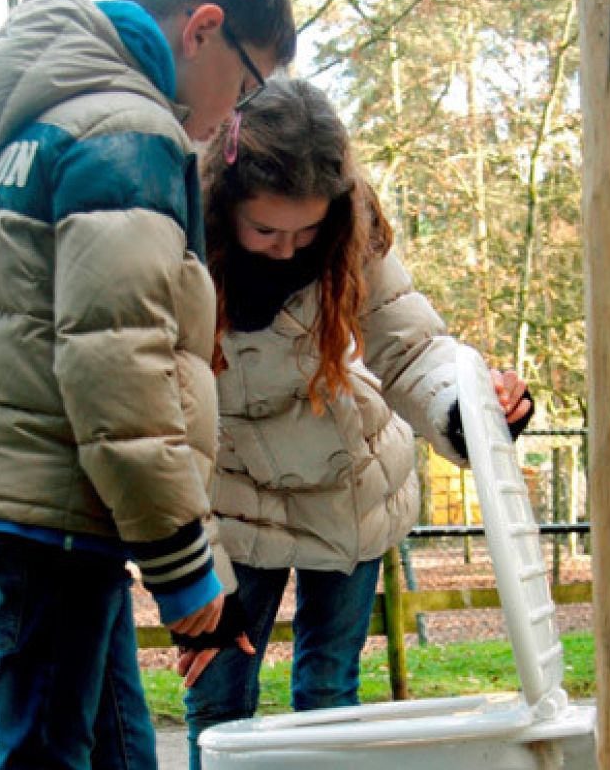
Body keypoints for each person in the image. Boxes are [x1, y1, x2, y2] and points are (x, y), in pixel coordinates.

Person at [0, 0, 294, 767]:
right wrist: (182, 561)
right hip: (54, 498)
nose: (233, 116)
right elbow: (118, 365)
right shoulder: (130, 131)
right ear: (203, 29)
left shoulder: (56, 111)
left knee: (117, 743)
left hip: (47, 497)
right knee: (49, 752)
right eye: (244, 85)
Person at [179, 79, 534, 766]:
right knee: (219, 703)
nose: (288, 250)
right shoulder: (171, 246)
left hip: (352, 491)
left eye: (308, 229)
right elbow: (159, 429)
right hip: (231, 500)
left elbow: (410, 348)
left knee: (327, 696)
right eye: (266, 229)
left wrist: (470, 408)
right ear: (222, 205)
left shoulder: (354, 233)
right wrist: (190, 575)